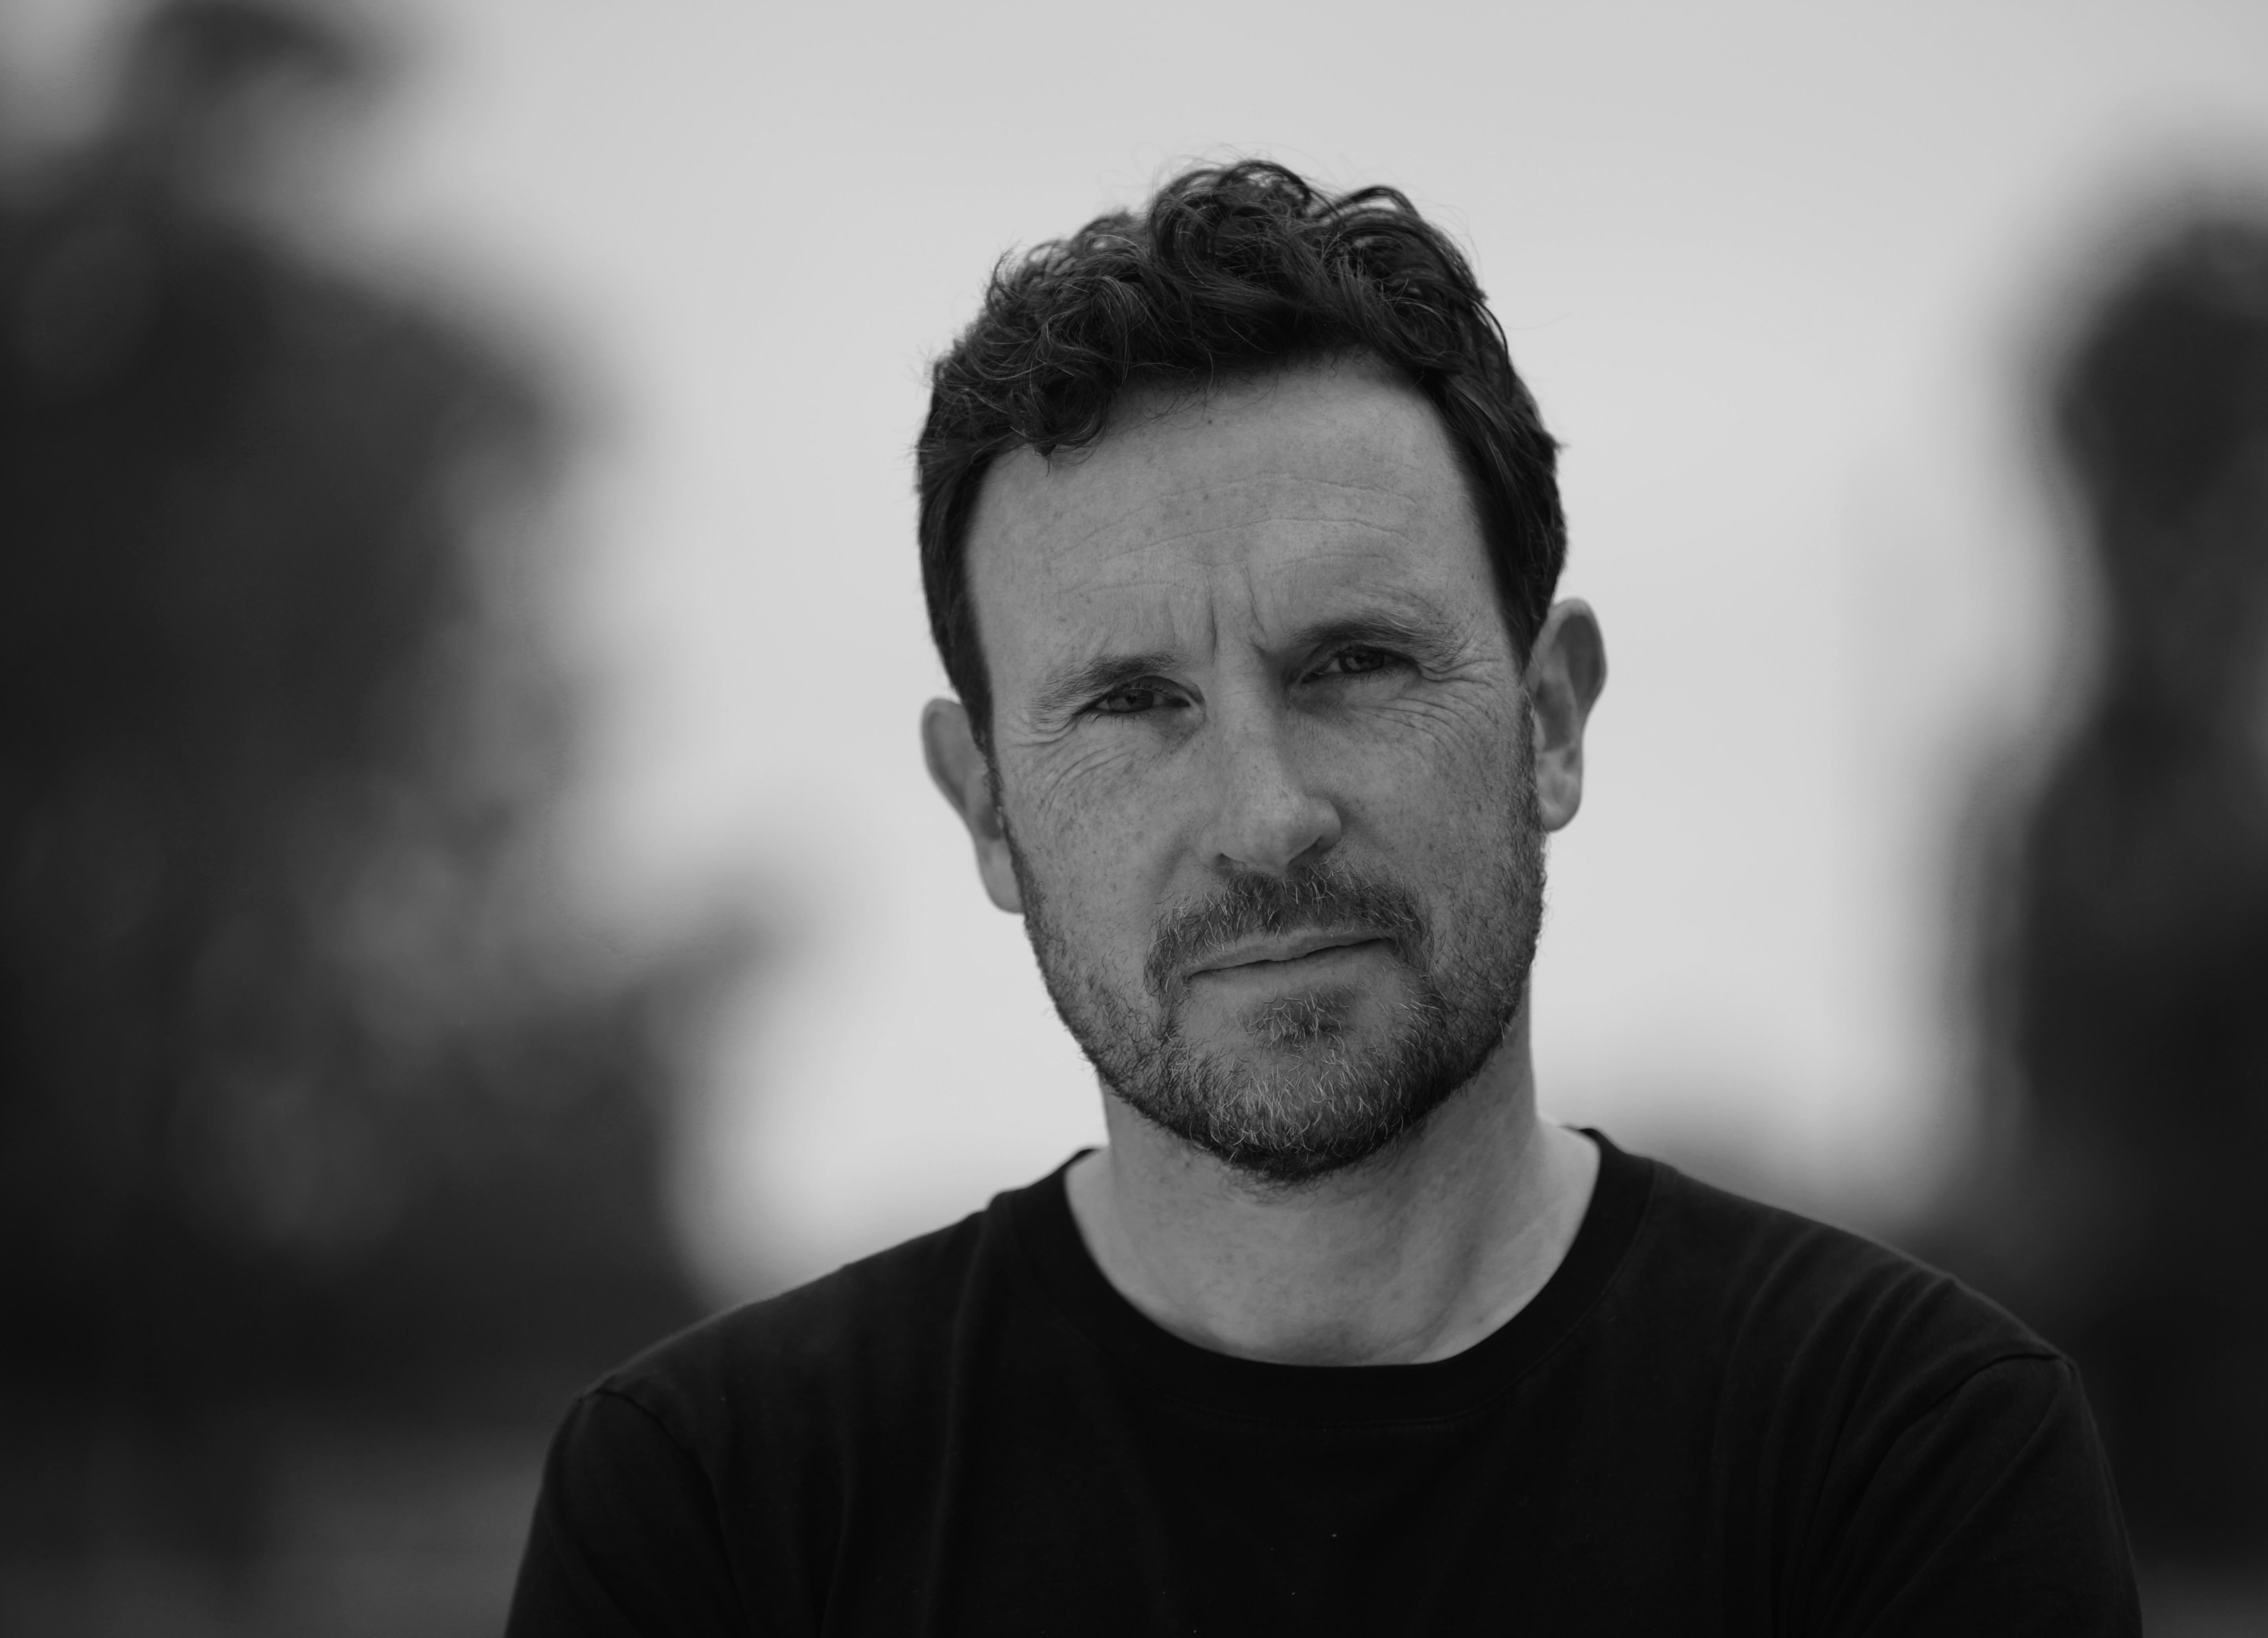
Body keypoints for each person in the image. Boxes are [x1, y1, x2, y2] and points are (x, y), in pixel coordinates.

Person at [506, 161, 2140, 1635]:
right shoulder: (718, 1509)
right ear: (988, 810)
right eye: (1132, 703)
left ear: (1548, 722)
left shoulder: (1904, 1454)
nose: (1266, 818)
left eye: (1353, 662)